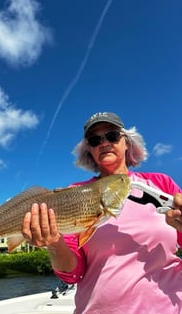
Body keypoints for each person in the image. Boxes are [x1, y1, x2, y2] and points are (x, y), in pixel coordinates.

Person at [22, 112, 182, 314]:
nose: (104, 143)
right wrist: (54, 244)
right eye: (95, 139)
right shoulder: (75, 193)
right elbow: (72, 275)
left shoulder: (161, 184)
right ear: (89, 149)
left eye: (112, 136)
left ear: (127, 143)